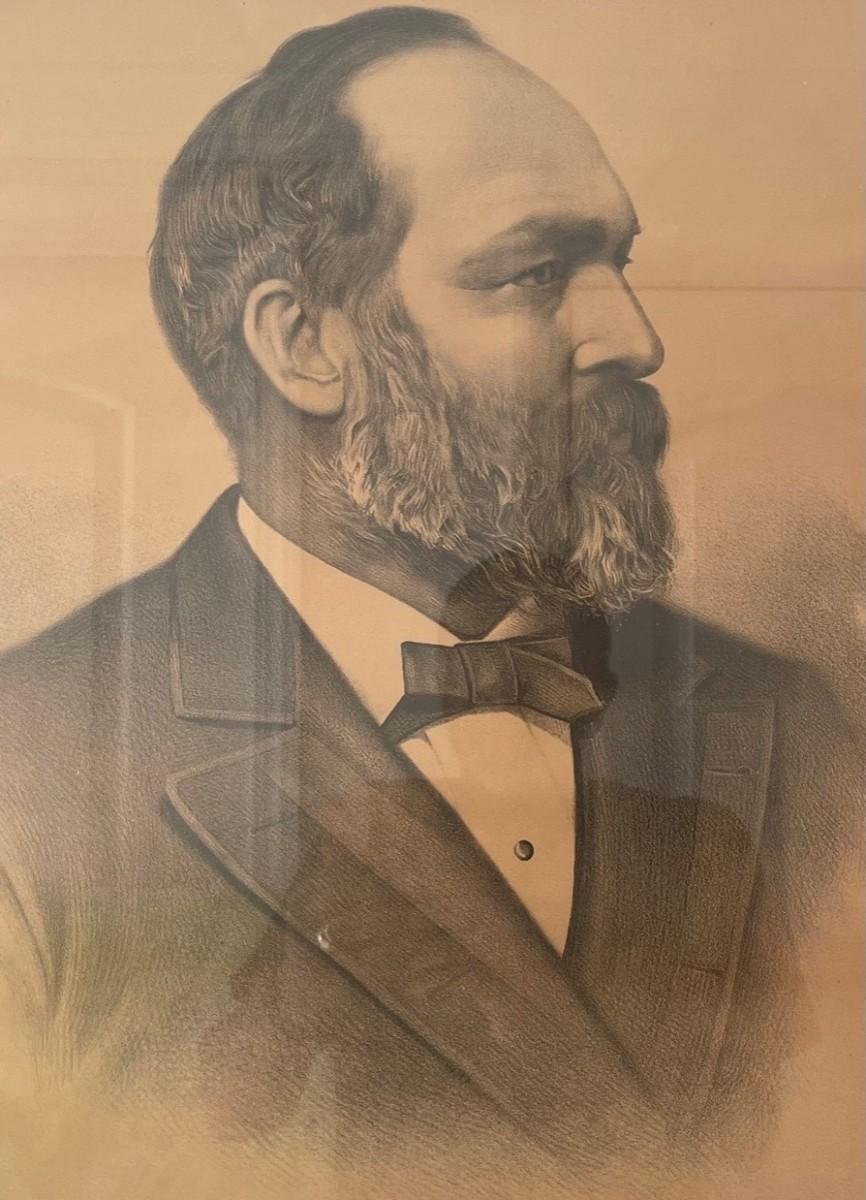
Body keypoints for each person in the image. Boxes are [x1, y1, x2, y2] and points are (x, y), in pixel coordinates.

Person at [0, 7, 857, 1195]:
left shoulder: (786, 724)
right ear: (304, 344)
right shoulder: (31, 770)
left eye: (618, 263)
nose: (636, 339)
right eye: (533, 272)